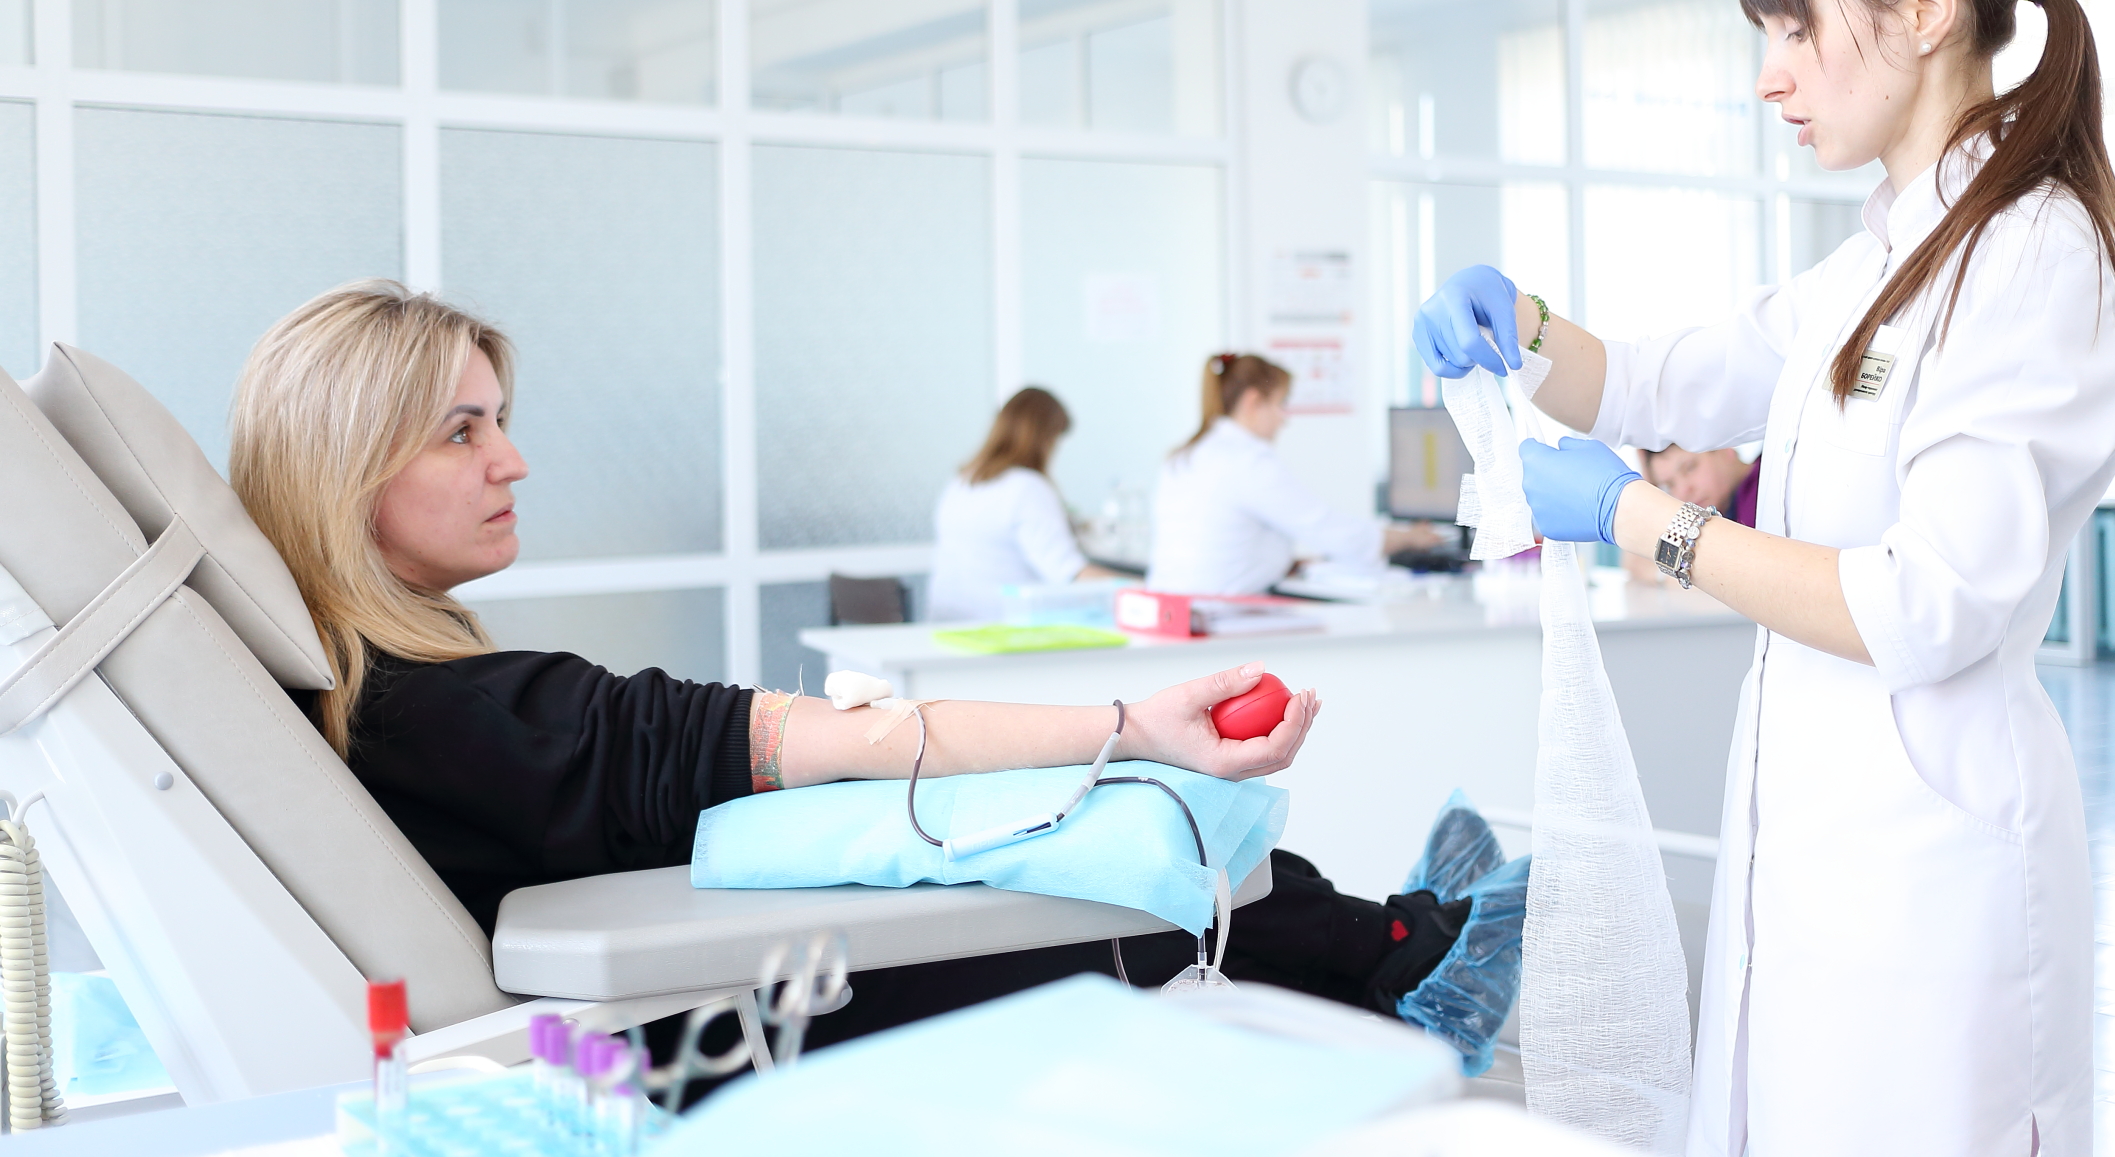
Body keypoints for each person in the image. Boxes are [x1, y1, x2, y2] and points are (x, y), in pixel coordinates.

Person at [229, 280, 1529, 1067]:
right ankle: (1401, 966)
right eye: (462, 430)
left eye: (501, 420)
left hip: (687, 977)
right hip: (721, 1018)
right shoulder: (465, 713)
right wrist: (1133, 723)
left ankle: (1393, 933)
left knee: (1084, 816)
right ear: (349, 466)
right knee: (1110, 832)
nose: (511, 460)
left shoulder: (372, 696)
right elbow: (852, 740)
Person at [1413, 0, 2115, 1155]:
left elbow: (1925, 604)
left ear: (1925, 11)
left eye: (1796, 29)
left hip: (1932, 864)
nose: (1769, 75)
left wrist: (1638, 520)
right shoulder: (1878, 255)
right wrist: (1520, 324)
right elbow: (1656, 380)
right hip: (1818, 852)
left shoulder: (2028, 251)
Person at [1149, 353, 1443, 595]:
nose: (1283, 419)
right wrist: (1410, 538)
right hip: (1215, 616)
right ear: (1253, 401)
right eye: (1280, 404)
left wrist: (1283, 563)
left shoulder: (1188, 455)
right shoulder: (1247, 461)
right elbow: (1329, 531)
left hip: (1170, 610)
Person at [926, 387, 1118, 622]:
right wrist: (1145, 588)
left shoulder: (961, 482)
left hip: (948, 624)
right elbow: (1069, 573)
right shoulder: (1027, 487)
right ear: (1043, 438)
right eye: (1055, 440)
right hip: (1000, 627)